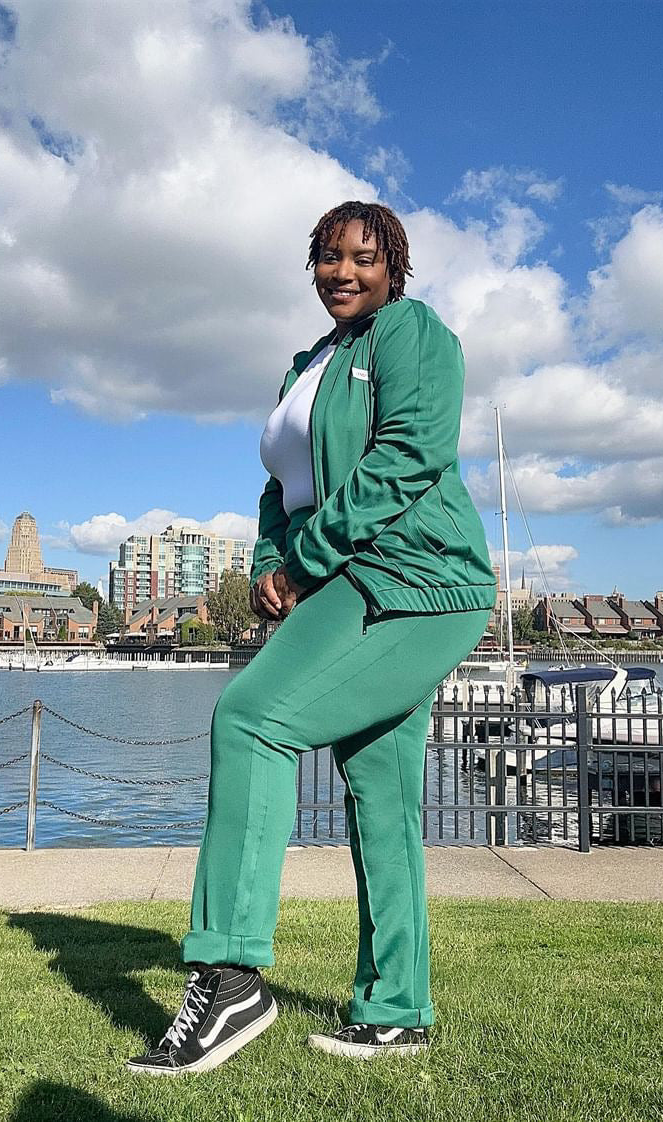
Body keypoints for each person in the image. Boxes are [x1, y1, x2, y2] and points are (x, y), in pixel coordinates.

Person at [127, 201, 496, 1076]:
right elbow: (278, 486)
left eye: (363, 257)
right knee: (382, 794)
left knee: (250, 720)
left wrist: (305, 561)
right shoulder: (307, 364)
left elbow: (407, 457)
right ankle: (396, 1009)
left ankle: (229, 973)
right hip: (340, 577)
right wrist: (269, 561)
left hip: (410, 580)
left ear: (393, 266)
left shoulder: (410, 333)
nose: (343, 272)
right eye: (329, 258)